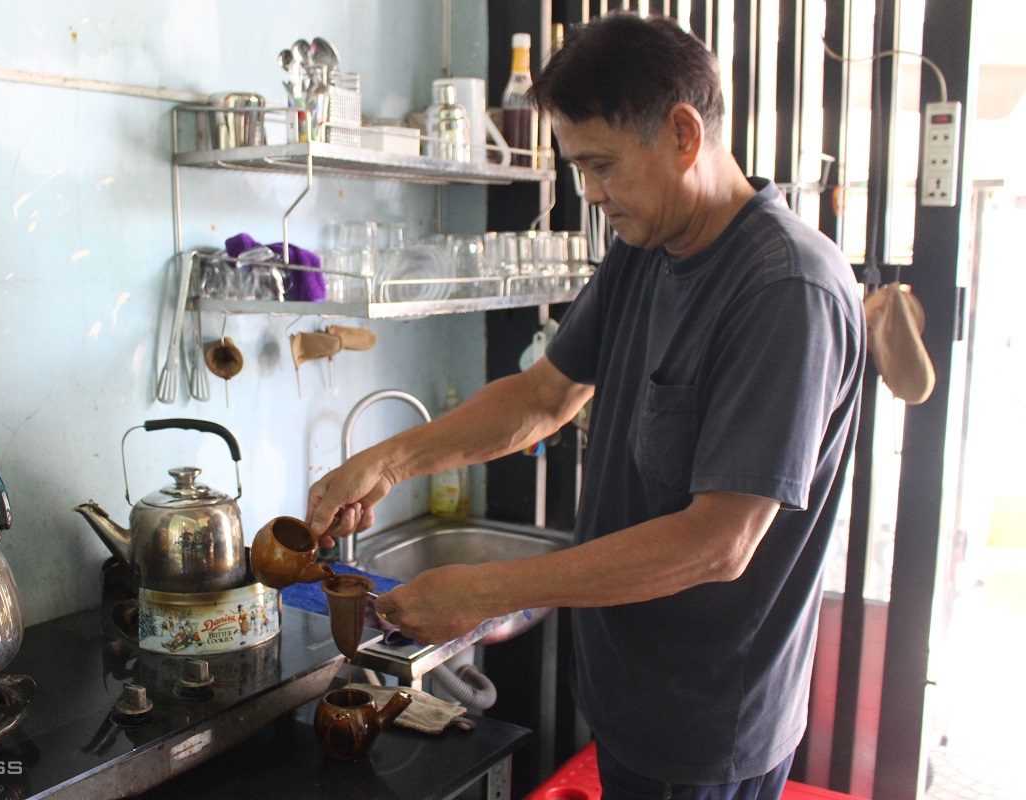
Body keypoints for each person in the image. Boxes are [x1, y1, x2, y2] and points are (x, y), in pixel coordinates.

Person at [306, 12, 864, 800]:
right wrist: (385, 459)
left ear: (682, 133)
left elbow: (719, 543)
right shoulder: (647, 250)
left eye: (602, 165)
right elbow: (542, 396)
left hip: (708, 727)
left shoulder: (783, 290)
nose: (592, 194)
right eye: (579, 170)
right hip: (631, 695)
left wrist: (490, 589)